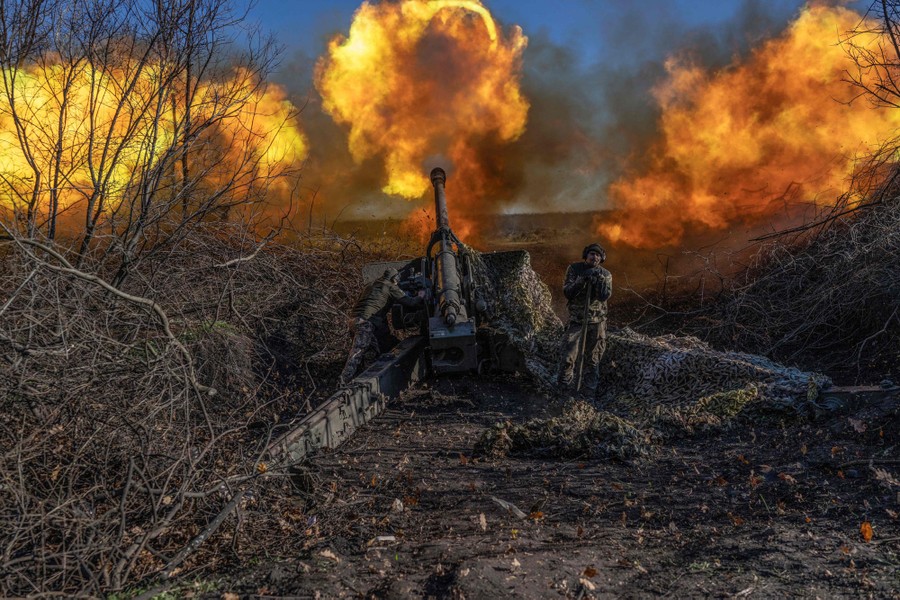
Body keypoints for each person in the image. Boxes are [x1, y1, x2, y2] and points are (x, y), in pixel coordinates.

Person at [339, 267, 423, 384]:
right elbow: (410, 302)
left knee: (371, 352)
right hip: (365, 323)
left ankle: (365, 379)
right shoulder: (389, 286)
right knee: (357, 352)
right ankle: (343, 380)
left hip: (353, 321)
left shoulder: (370, 285)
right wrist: (420, 295)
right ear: (394, 278)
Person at [557, 243, 612, 398]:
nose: (594, 257)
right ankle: (564, 391)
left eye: (598, 255)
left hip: (596, 321)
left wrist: (599, 282)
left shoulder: (605, 274)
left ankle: (588, 393)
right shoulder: (575, 269)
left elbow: (604, 296)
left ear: (601, 259)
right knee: (568, 356)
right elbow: (567, 292)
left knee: (593, 359)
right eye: (592, 254)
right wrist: (580, 281)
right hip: (577, 320)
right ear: (586, 256)